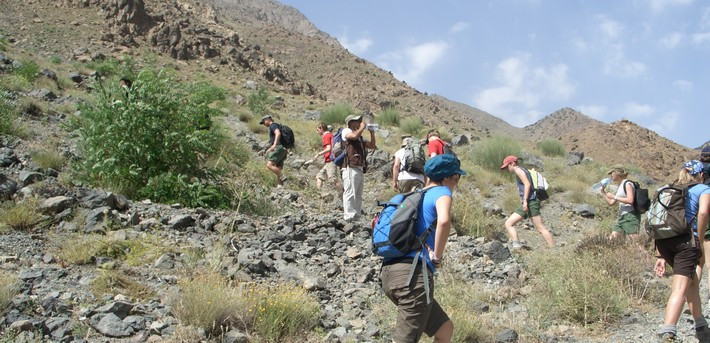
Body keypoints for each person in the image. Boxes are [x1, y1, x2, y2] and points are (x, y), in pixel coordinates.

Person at [381, 154, 465, 343]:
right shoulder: (442, 192)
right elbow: (444, 221)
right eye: (456, 178)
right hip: (413, 277)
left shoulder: (410, 196)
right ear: (446, 178)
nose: (457, 183)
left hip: (390, 273)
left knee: (444, 329)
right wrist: (437, 256)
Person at [654, 160, 710, 342]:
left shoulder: (669, 189)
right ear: (701, 174)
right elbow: (703, 213)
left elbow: (658, 220)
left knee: (691, 282)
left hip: (664, 242)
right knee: (680, 287)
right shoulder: (703, 189)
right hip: (686, 241)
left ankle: (701, 326)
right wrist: (699, 240)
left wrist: (659, 255)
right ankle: (667, 331)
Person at [500, 155, 555, 249]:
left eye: (507, 166)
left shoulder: (519, 170)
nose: (506, 169)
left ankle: (554, 249)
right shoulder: (522, 170)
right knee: (509, 223)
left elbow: (527, 184)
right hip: (528, 202)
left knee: (540, 227)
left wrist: (525, 201)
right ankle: (517, 246)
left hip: (531, 201)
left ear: (512, 163)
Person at [341, 114, 376, 222]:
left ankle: (356, 215)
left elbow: (372, 145)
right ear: (350, 122)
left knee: (358, 193)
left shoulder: (359, 137)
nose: (359, 123)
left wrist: (372, 132)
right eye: (357, 121)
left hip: (359, 166)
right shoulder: (346, 131)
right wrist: (362, 127)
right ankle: (349, 215)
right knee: (350, 191)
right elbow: (353, 136)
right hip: (350, 166)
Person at [600, 167, 642, 244]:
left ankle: (645, 256)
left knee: (636, 244)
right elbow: (611, 203)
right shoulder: (620, 186)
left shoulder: (627, 184)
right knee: (611, 239)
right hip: (622, 217)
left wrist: (614, 196)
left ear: (617, 173)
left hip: (630, 216)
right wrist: (603, 192)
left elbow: (630, 200)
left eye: (612, 173)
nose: (611, 176)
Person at [260, 115, 288, 187]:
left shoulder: (273, 125)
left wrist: (274, 145)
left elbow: (278, 133)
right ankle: (280, 185)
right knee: (278, 167)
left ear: (268, 119)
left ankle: (283, 177)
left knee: (269, 165)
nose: (264, 124)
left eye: (263, 122)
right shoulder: (277, 125)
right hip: (283, 149)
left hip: (279, 148)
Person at [314, 122, 339, 194]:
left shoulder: (326, 136)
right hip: (328, 161)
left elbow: (329, 148)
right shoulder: (330, 135)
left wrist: (318, 154)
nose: (317, 132)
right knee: (319, 176)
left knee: (333, 180)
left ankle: (342, 194)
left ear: (321, 128)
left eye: (318, 130)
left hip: (331, 160)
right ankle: (319, 193)